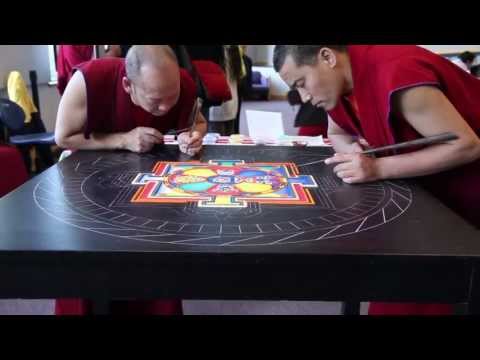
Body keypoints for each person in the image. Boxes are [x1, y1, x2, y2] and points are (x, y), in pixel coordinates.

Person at [273, 45, 480, 315]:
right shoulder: (339, 87)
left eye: (302, 84)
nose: (304, 97)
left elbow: (467, 145)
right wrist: (352, 152)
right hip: (425, 181)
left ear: (327, 57)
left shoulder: (396, 72)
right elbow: (337, 133)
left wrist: (377, 168)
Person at [54, 45, 207, 315]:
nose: (166, 107)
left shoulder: (180, 81)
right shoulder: (90, 79)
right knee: (93, 268)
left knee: (155, 261)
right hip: (91, 182)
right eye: (155, 101)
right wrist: (123, 139)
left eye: (172, 98)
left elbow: (197, 122)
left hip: (147, 183)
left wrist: (191, 136)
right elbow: (63, 136)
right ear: (128, 85)